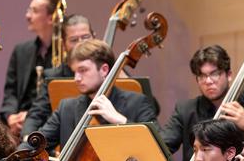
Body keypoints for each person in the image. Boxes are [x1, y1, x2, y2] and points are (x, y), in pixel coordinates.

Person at [29, 39, 157, 152]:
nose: (77, 78)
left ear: (104, 70)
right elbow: (36, 145)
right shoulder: (66, 108)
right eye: (75, 72)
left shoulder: (137, 102)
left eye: (83, 70)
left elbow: (160, 145)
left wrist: (120, 120)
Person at [160, 45, 244, 161]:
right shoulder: (186, 110)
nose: (208, 81)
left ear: (229, 75)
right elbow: (162, 146)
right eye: (202, 76)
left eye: (214, 74)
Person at [22, 14, 96, 136]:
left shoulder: (106, 70)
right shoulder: (53, 76)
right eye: (73, 40)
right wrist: (27, 138)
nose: (81, 44)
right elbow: (36, 114)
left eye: (85, 37)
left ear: (94, 37)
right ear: (63, 45)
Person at [0, 0, 61, 136]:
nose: (28, 16)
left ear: (51, 18)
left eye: (34, 11)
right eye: (29, 10)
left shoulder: (63, 53)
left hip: (47, 120)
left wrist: (30, 116)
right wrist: (10, 116)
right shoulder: (21, 50)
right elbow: (11, 92)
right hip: (17, 120)